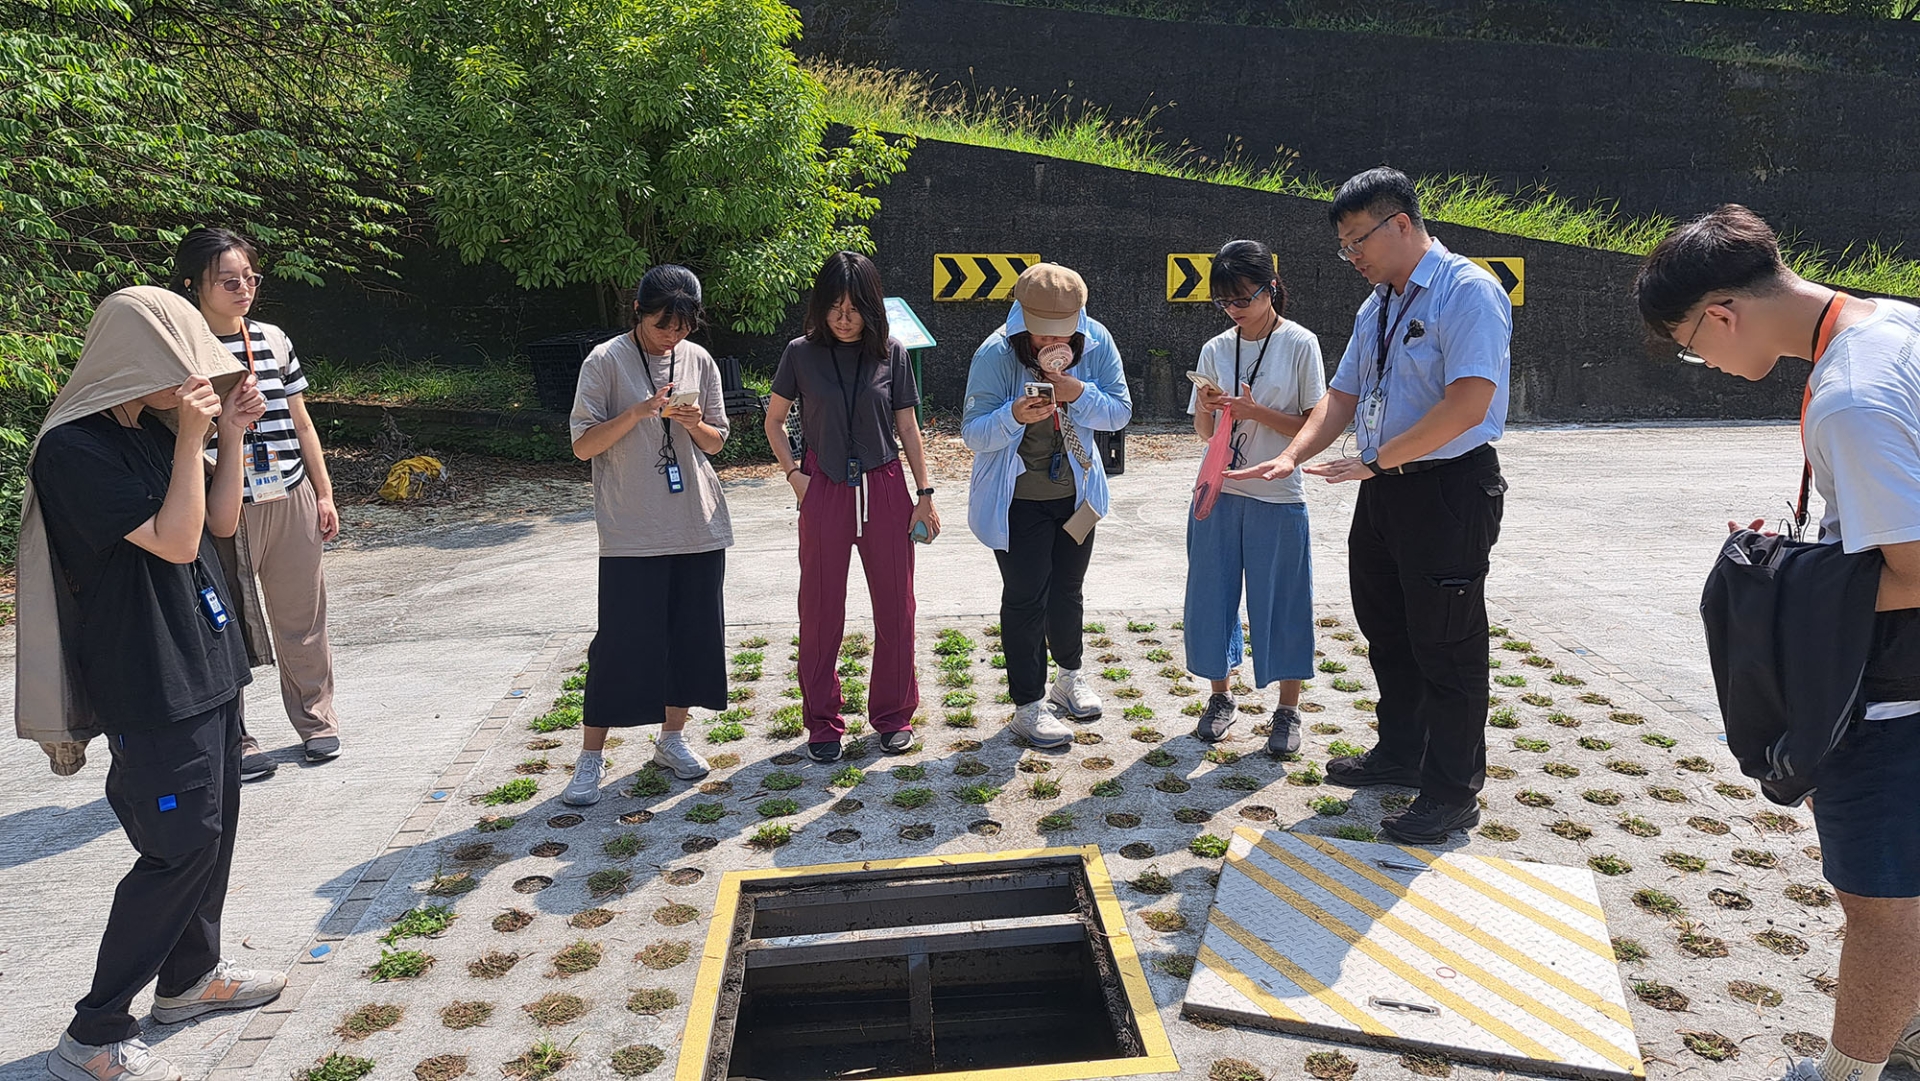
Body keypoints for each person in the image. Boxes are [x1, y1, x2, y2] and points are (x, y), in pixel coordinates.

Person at [1633, 204, 1920, 1081]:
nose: (1707, 363)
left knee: (1880, 907)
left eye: (1693, 343)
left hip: (1896, 697)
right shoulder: (1894, 323)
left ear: (1723, 312)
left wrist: (1792, 592)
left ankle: (1852, 1073)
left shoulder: (1851, 398)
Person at [17, 287, 287, 1081]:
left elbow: (222, 523)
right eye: (185, 373)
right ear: (137, 363)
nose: (195, 387)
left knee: (215, 834)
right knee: (177, 849)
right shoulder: (73, 451)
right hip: (148, 680)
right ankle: (93, 1030)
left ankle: (188, 980)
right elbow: (174, 541)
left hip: (205, 661)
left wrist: (228, 437)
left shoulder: (147, 431)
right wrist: (194, 433)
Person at [1228, 167, 1511, 844]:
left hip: (1446, 487)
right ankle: (1401, 752)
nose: (1352, 255)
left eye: (1359, 239)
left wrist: (1380, 459)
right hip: (1382, 486)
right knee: (1389, 627)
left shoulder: (1466, 291)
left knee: (1448, 643)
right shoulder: (1379, 303)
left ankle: (1451, 791)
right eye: (1345, 244)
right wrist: (1294, 452)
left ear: (1403, 224)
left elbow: (1469, 402)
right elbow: (1343, 396)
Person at [174, 227, 345, 783]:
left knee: (304, 617)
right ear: (193, 285)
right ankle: (237, 736)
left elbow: (300, 420)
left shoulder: (272, 338)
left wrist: (322, 491)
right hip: (223, 504)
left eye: (250, 277)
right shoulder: (182, 350)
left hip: (288, 490)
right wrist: (226, 423)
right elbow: (179, 437)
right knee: (228, 625)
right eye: (228, 281)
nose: (243, 288)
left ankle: (317, 721)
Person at [563, 265, 731, 804]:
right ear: (638, 311)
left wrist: (691, 422)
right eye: (663, 324)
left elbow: (716, 443)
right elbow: (583, 445)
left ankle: (672, 740)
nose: (672, 336)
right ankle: (591, 758)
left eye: (683, 327)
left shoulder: (698, 360)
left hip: (696, 525)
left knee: (689, 638)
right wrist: (639, 411)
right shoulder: (606, 360)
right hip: (631, 528)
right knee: (620, 644)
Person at [765, 252, 940, 763]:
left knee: (896, 606)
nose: (844, 318)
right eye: (835, 307)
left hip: (886, 488)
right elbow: (775, 421)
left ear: (871, 308)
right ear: (820, 307)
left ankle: (893, 716)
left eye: (854, 308)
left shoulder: (891, 352)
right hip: (823, 490)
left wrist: (923, 494)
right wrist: (796, 477)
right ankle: (822, 721)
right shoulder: (800, 353)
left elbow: (907, 427)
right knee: (820, 612)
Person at [962, 263, 1133, 749]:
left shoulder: (1096, 341)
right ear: (1022, 320)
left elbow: (1120, 411)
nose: (1051, 344)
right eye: (1040, 336)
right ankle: (1028, 704)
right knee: (1025, 598)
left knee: (1068, 591)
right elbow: (972, 433)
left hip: (1075, 496)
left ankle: (1069, 676)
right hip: (1017, 500)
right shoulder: (996, 352)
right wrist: (1013, 414)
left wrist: (1077, 392)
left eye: (1062, 334)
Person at [1185, 240, 1325, 754]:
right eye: (1224, 302)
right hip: (1217, 490)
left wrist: (1253, 410)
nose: (1234, 310)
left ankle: (1287, 709)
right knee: (1211, 597)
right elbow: (1204, 432)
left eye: (1242, 298)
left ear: (1270, 288)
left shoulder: (1300, 343)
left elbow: (1314, 423)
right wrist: (1209, 406)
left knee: (1283, 601)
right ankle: (1220, 696)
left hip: (1278, 491)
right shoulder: (1217, 348)